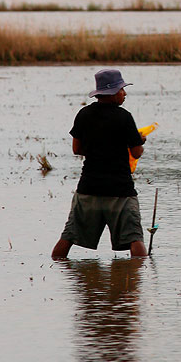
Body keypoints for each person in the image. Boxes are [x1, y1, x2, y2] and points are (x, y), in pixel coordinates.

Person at [52, 68, 148, 259]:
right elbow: (136, 153)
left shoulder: (84, 114)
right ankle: (140, 275)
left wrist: (98, 146)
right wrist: (139, 141)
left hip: (89, 188)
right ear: (112, 92)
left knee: (68, 236)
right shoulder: (124, 117)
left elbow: (77, 149)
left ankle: (58, 269)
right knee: (135, 239)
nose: (124, 94)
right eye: (122, 90)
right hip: (120, 191)